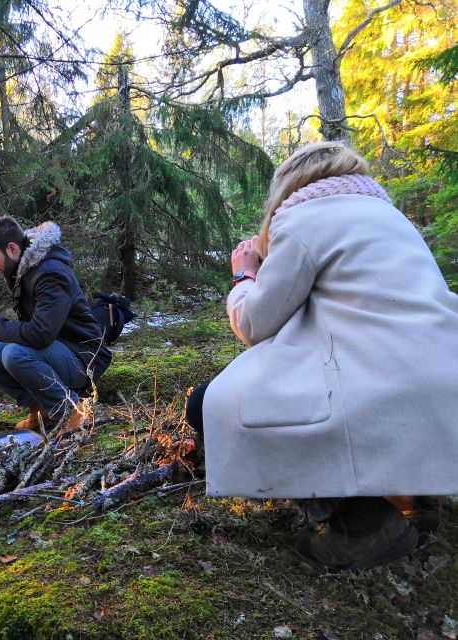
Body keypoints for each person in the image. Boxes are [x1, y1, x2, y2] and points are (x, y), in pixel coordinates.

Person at [186, 142, 458, 572]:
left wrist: (244, 275)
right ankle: (415, 497)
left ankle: (365, 525)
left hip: (379, 388)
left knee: (209, 402)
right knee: (380, 382)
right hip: (446, 377)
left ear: (287, 185)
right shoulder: (393, 219)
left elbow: (255, 324)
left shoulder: (301, 219)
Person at [0, 216, 112, 432]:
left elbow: (40, 334)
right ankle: (39, 408)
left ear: (12, 248)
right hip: (55, 349)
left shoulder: (51, 273)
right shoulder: (22, 270)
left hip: (84, 357)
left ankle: (71, 411)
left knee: (14, 354)